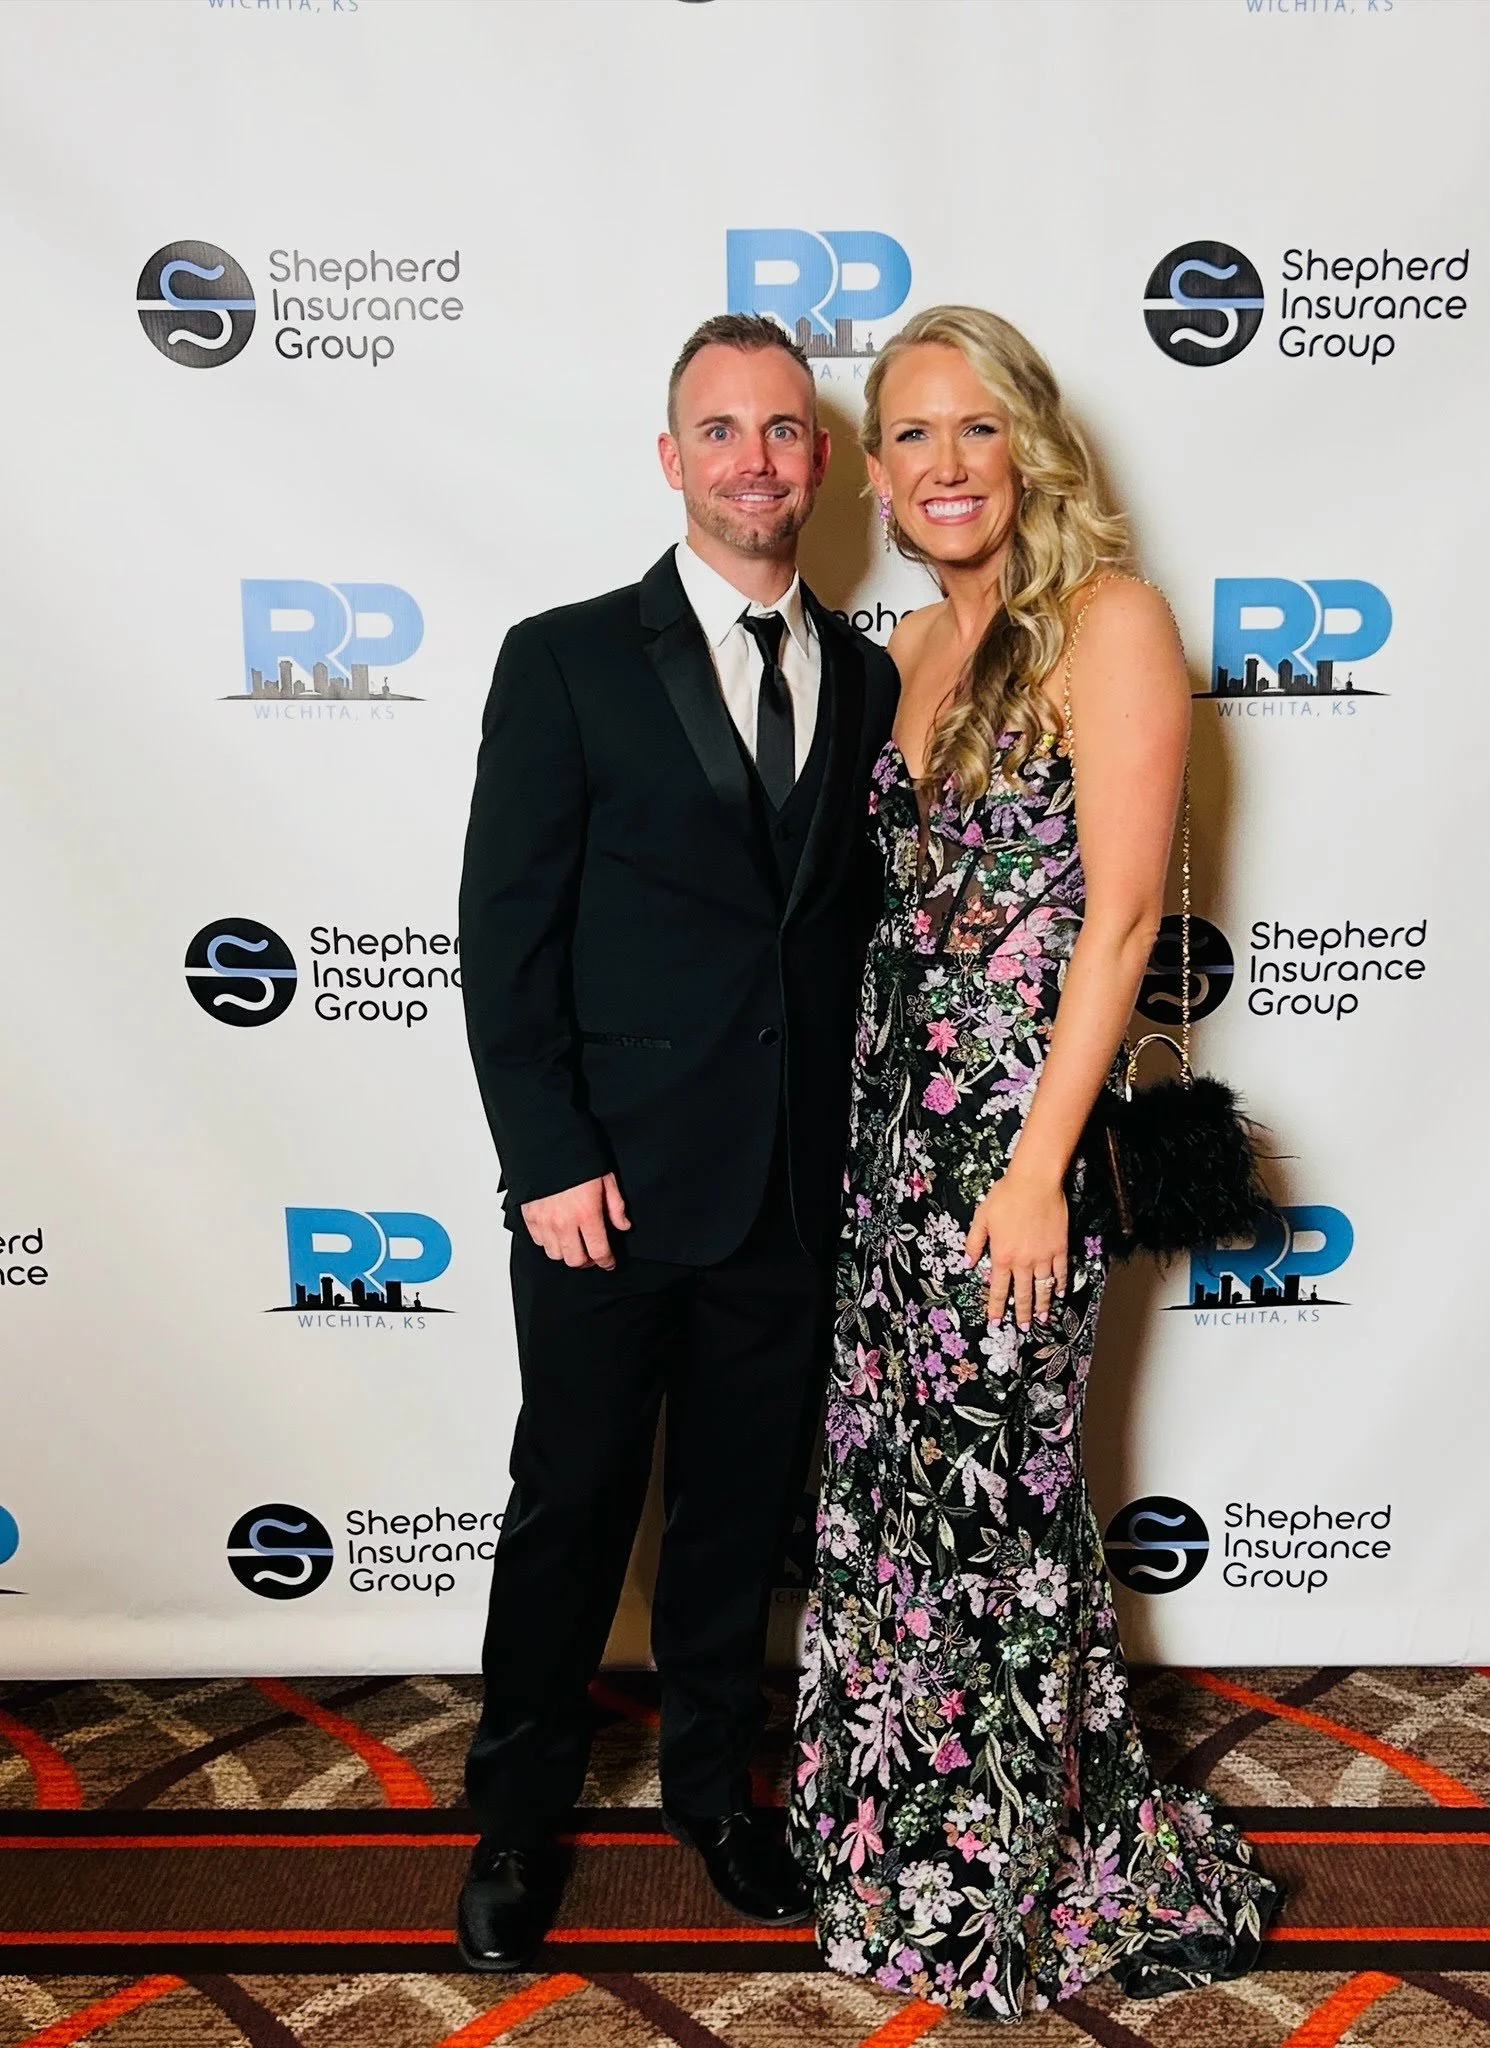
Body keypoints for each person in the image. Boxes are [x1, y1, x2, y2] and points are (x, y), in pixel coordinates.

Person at [787, 307, 1280, 2016]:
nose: (939, 466)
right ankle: (892, 1851)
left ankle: (1018, 1865)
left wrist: (1031, 1167)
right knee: (895, 1489)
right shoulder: (912, 650)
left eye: (971, 430)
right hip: (887, 1133)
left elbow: (1120, 916)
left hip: (1013, 1140)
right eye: (909, 436)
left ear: (1028, 448)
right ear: (876, 469)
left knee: (997, 1493)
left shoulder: (1109, 622)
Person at [455, 312, 899, 1970]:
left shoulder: (864, 674)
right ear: (670, 459)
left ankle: (714, 1793)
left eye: (784, 431)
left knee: (731, 1516)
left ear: (822, 461)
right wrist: (546, 1156)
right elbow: (505, 934)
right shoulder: (562, 656)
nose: (755, 462)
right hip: (603, 1190)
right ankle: (514, 1817)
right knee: (568, 1507)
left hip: (790, 1184)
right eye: (721, 432)